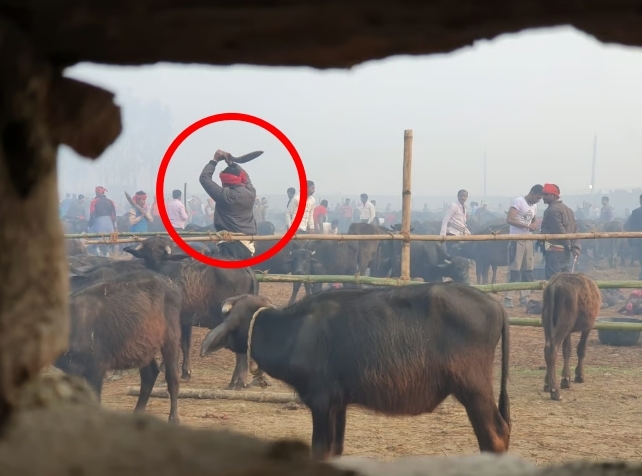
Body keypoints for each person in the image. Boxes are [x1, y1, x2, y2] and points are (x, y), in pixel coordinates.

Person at [199, 149, 257, 260]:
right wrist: (232, 163)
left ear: (224, 182)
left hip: (230, 245)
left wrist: (214, 160)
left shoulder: (225, 195)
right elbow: (246, 177)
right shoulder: (251, 192)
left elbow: (204, 178)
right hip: (248, 245)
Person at [503, 184, 544, 308]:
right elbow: (510, 219)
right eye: (537, 197)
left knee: (527, 270)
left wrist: (534, 225)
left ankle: (524, 297)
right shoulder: (519, 202)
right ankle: (508, 297)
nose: (538, 200)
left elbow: (533, 220)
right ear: (531, 193)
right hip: (517, 239)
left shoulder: (534, 206)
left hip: (528, 239)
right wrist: (527, 226)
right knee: (515, 269)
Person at [540, 183, 580, 279]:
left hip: (555, 251)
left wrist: (569, 246)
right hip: (565, 252)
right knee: (564, 280)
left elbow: (559, 231)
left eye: (546, 194)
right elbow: (575, 229)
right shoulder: (568, 209)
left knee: (553, 280)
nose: (543, 197)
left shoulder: (551, 211)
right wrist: (575, 246)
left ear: (553, 196)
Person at [88, 186, 117, 256]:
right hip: (109, 225)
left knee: (91, 235)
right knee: (108, 240)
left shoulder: (94, 202)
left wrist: (89, 225)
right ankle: (107, 254)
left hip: (98, 224)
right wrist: (113, 226)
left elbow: (92, 215)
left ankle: (97, 253)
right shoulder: (111, 201)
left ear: (97, 193)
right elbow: (113, 215)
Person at [624, 194, 642, 279]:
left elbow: (630, 226)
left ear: (640, 201)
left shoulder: (635, 212)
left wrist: (630, 240)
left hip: (638, 240)